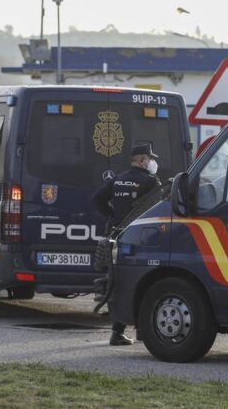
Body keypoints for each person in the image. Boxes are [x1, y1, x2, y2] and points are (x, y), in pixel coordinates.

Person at [92, 144, 162, 346]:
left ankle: (117, 332)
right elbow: (157, 207)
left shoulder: (118, 179)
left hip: (116, 234)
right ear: (142, 160)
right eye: (149, 158)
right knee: (144, 280)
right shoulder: (149, 181)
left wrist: (112, 214)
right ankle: (142, 332)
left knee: (120, 281)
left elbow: (97, 198)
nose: (152, 162)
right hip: (139, 237)